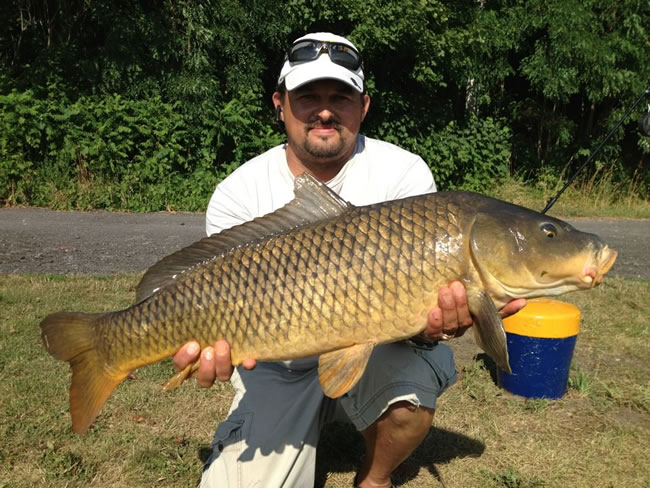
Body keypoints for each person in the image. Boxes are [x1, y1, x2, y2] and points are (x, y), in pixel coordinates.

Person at [173, 32, 525, 488]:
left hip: (378, 351)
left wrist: (439, 324)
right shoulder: (238, 193)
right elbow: (217, 303)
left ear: (363, 106)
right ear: (279, 104)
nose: (324, 110)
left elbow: (418, 318)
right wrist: (207, 343)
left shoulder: (404, 173)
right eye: (307, 97)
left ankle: (375, 477)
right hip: (277, 364)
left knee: (410, 394)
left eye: (340, 97)